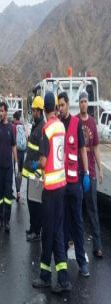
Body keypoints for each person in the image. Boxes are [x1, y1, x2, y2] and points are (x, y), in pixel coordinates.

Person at [32, 92, 71, 293]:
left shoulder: (46, 130)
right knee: (56, 231)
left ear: (44, 109)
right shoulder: (61, 127)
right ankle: (63, 279)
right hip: (62, 185)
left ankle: (45, 276)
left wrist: (36, 166)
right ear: (54, 107)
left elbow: (44, 161)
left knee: (48, 233)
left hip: (50, 189)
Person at [58, 92, 90, 277]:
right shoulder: (57, 125)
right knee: (62, 224)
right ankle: (62, 263)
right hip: (61, 185)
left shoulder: (77, 124)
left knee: (77, 223)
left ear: (68, 105)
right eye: (58, 105)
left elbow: (82, 151)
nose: (60, 108)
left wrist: (85, 173)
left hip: (75, 183)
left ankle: (81, 262)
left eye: (62, 105)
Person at [78, 90, 103, 258]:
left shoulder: (93, 123)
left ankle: (97, 246)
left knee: (92, 209)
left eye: (86, 101)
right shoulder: (74, 122)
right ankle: (76, 244)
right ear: (79, 103)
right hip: (78, 174)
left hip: (91, 173)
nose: (84, 104)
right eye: (81, 101)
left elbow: (95, 148)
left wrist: (100, 169)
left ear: (88, 103)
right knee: (77, 210)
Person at [0, 101, 18, 233]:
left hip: (8, 168)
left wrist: (16, 162)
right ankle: (0, 220)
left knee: (8, 195)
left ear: (6, 112)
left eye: (2, 111)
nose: (0, 113)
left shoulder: (10, 128)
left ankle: (7, 221)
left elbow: (14, 146)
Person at [22, 96, 45, 242]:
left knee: (35, 204)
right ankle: (32, 227)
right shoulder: (37, 125)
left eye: (33, 110)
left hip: (35, 174)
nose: (32, 113)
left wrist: (38, 170)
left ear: (39, 111)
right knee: (31, 202)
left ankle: (36, 232)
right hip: (30, 172)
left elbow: (43, 153)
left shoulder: (42, 127)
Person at [12, 110, 26, 202]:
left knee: (16, 172)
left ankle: (16, 191)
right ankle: (19, 191)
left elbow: (12, 142)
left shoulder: (13, 126)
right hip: (23, 152)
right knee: (20, 172)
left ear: (14, 118)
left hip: (16, 152)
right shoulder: (23, 126)